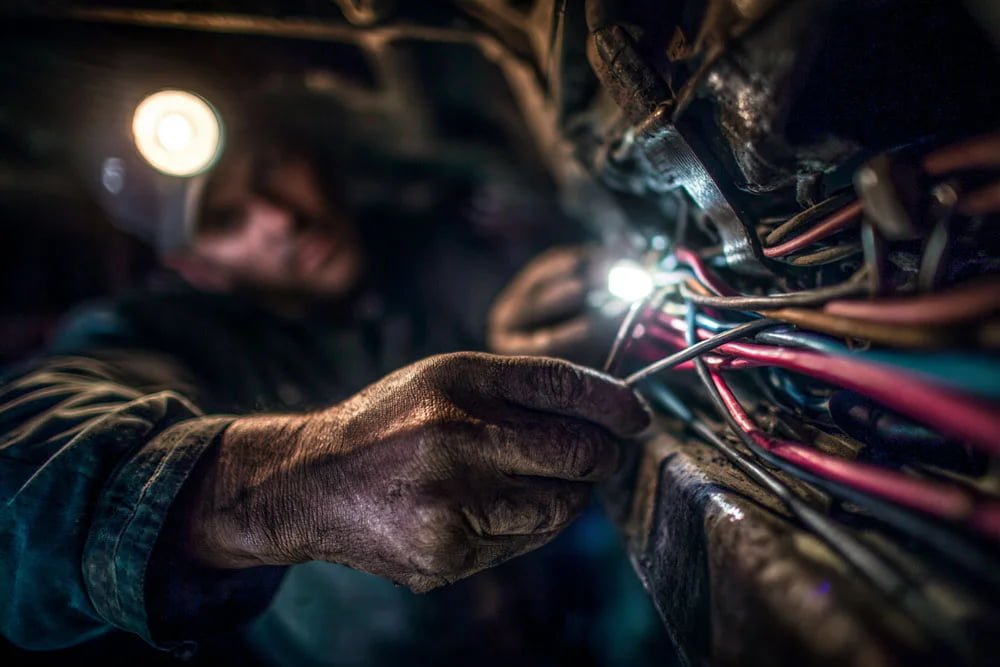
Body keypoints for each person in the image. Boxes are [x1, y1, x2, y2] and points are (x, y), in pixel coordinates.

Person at [0, 92, 651, 664]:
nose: (283, 218)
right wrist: (287, 481)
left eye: (271, 169)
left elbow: (494, 284)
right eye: (227, 219)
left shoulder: (421, 238)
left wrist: (525, 328)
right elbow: (20, 472)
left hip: (569, 617)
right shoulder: (161, 333)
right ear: (192, 263)